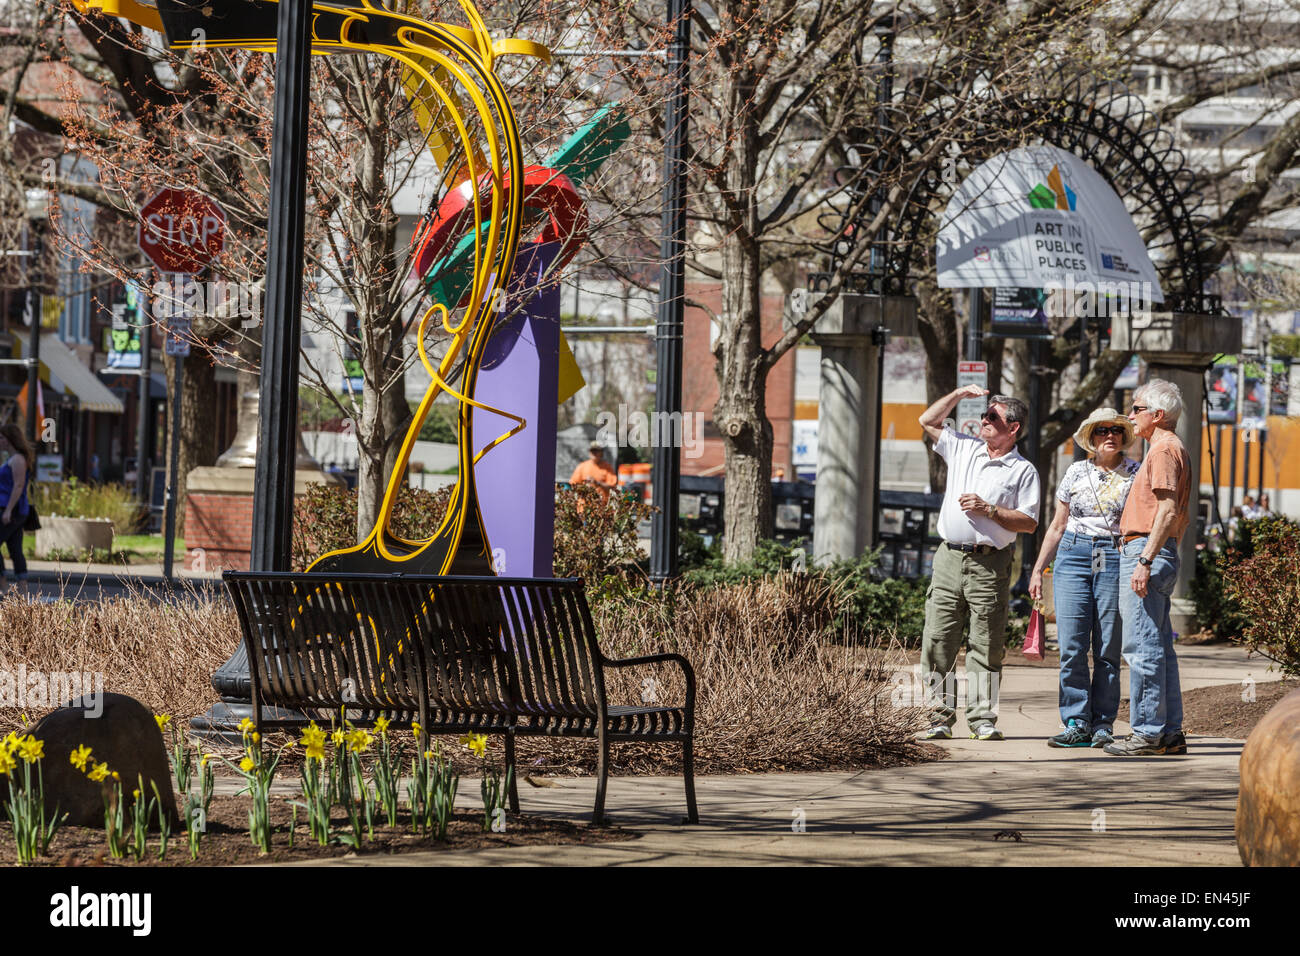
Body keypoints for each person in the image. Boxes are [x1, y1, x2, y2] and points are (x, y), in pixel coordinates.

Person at [917, 385, 1041, 741]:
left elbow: (1029, 522)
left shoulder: (1022, 470)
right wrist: (957, 394)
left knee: (985, 642)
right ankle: (938, 717)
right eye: (984, 415)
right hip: (949, 557)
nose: (984, 421)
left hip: (990, 563)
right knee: (938, 638)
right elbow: (927, 420)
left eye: (993, 417)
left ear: (1013, 427)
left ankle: (982, 718)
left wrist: (989, 509)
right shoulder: (964, 448)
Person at [1030, 408, 1140, 748]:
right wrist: (1037, 569)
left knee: (1108, 646)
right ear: (1091, 438)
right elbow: (1057, 525)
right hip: (1073, 555)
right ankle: (1077, 721)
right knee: (1072, 645)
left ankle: (1103, 723)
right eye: (1102, 430)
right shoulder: (1076, 470)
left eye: (1117, 431)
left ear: (1124, 438)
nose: (1110, 435)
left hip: (1112, 555)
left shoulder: (1135, 473)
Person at [1105, 379, 1191, 756]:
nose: (1130, 416)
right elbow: (1177, 516)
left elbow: (1168, 510)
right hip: (1156, 551)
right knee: (1157, 645)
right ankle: (1169, 732)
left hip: (1145, 551)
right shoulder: (1171, 449)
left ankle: (1147, 732)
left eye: (1136, 408)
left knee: (1141, 646)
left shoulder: (1162, 451)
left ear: (1157, 415)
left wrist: (1145, 559)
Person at [0, 423, 33, 594]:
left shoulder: (18, 459)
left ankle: (4, 587)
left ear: (10, 440)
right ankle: (22, 591)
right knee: (15, 549)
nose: (0, 441)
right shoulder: (11, 459)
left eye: (2, 438)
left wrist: (8, 510)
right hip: (11, 509)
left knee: (15, 549)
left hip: (11, 510)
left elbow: (18, 486)